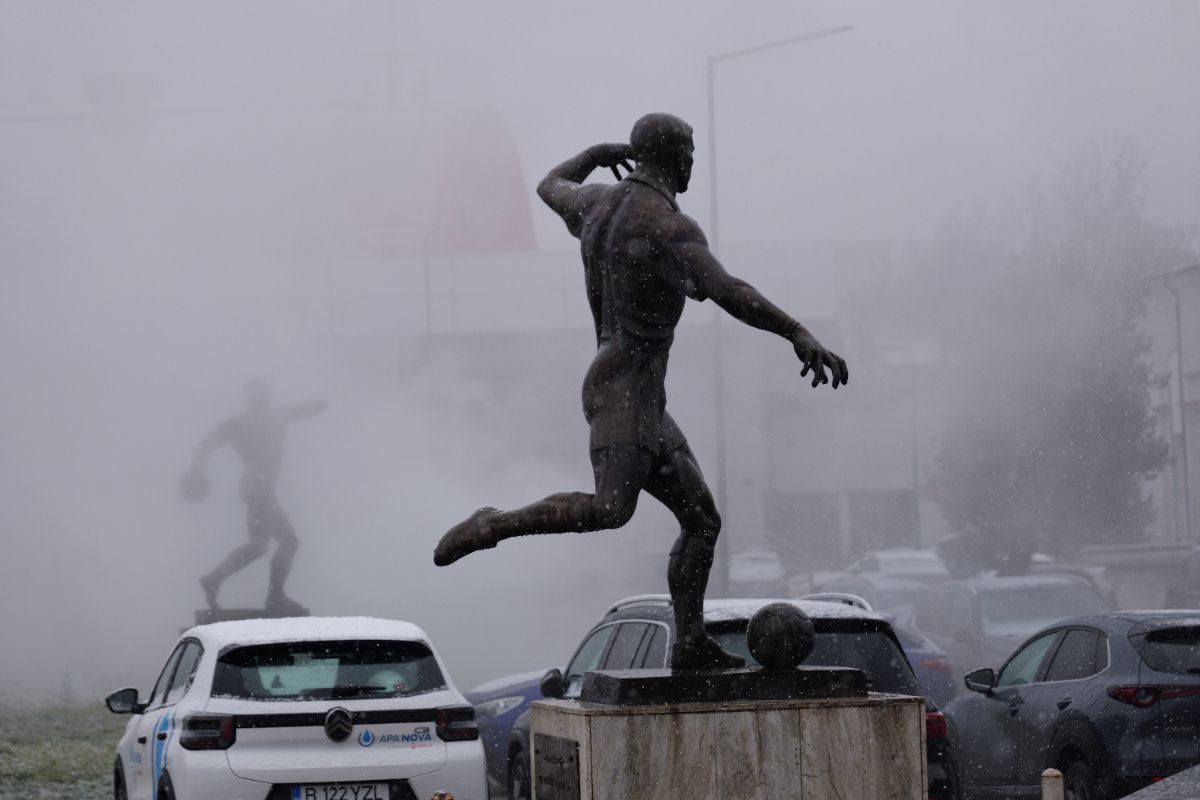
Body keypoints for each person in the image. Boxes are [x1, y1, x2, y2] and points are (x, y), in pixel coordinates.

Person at [434, 113, 847, 670]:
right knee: (610, 509)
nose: (693, 162)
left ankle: (689, 644)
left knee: (702, 520)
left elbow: (550, 184)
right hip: (623, 392)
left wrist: (595, 153)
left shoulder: (596, 204)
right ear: (672, 155)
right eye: (690, 151)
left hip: (639, 397)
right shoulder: (668, 227)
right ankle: (492, 524)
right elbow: (727, 289)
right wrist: (794, 330)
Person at [182, 379, 326, 612]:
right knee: (288, 541)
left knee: (258, 546)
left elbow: (305, 409)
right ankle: (274, 596)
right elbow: (205, 446)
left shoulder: (258, 419)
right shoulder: (260, 419)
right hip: (259, 489)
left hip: (256, 489)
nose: (267, 396)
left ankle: (214, 579)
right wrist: (196, 471)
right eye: (263, 393)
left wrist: (196, 470)